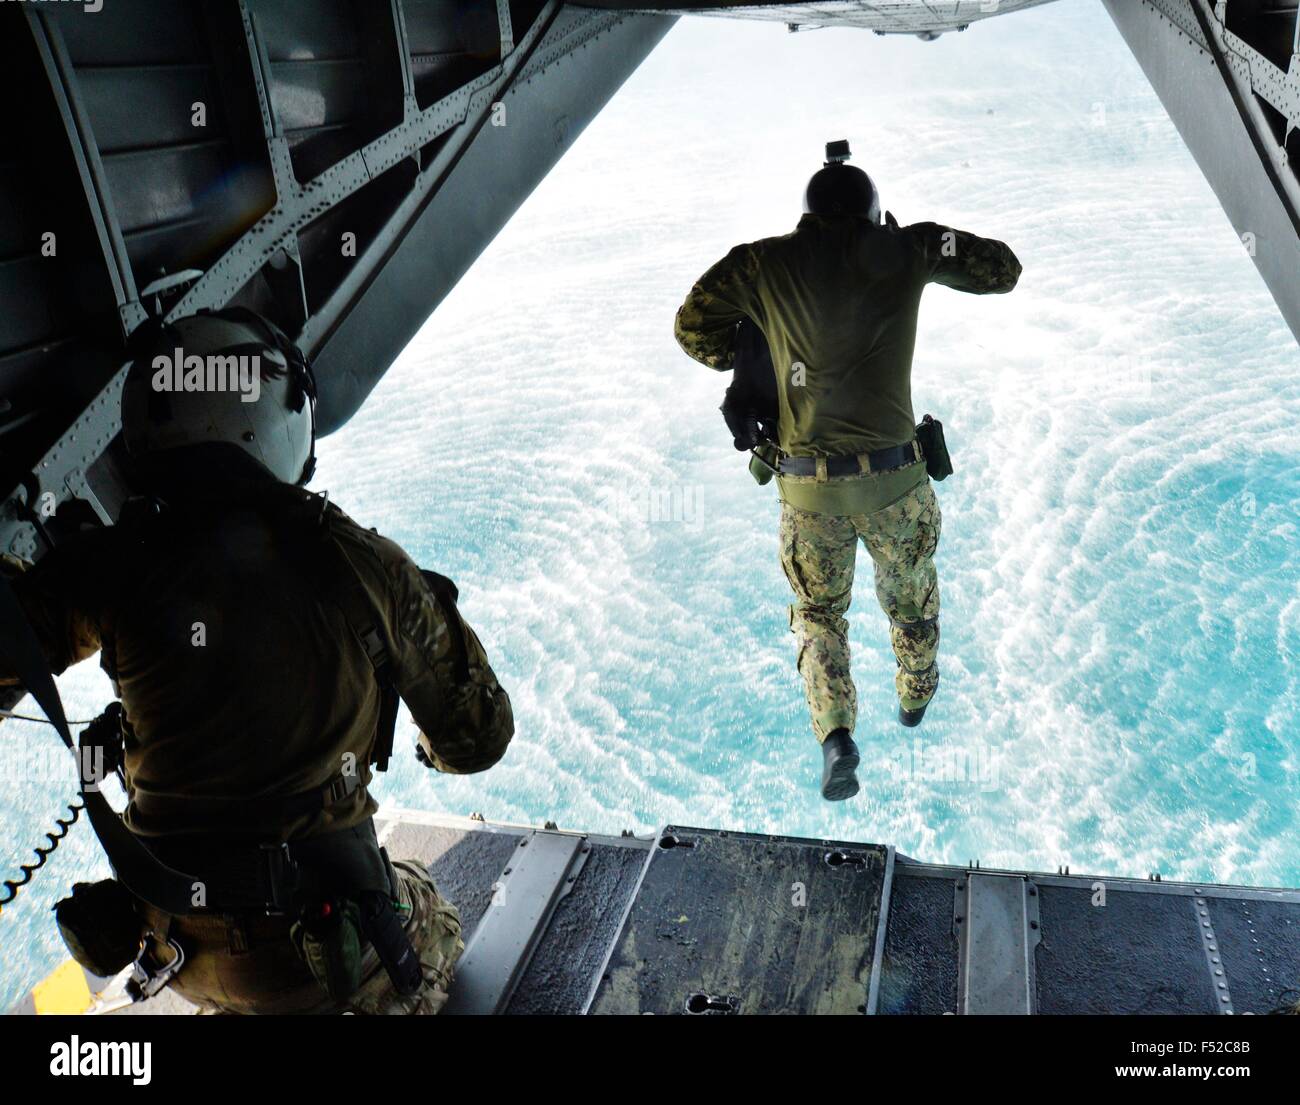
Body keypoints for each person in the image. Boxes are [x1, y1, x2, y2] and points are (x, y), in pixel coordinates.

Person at [0, 308, 514, 1013]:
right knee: (427, 900)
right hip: (320, 958)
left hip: (177, 944)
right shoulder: (364, 562)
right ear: (273, 413)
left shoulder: (107, 566)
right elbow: (478, 737)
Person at [674, 141, 1021, 801]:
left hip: (809, 494)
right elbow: (1003, 269)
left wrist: (758, 349)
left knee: (818, 614)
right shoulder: (906, 248)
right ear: (873, 212)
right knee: (910, 597)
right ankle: (915, 697)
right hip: (896, 485)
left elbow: (691, 329)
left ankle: (836, 736)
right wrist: (913, 244)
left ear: (807, 215)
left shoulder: (761, 262)